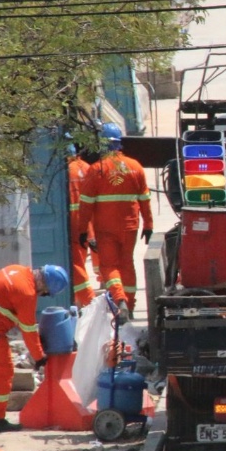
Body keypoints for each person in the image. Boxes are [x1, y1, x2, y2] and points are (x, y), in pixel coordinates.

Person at [0, 265, 66, 434]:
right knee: (2, 373)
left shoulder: (16, 270)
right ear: (44, 285)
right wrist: (39, 357)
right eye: (44, 292)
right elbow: (28, 328)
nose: (41, 295)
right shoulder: (27, 292)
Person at [77, 122, 153, 320]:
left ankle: (119, 301)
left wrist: (82, 230)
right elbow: (145, 199)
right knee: (127, 264)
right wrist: (149, 225)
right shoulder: (135, 167)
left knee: (109, 266)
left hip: (105, 228)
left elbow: (85, 205)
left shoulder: (96, 170)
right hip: (130, 227)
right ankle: (130, 305)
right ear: (119, 144)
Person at [66, 140, 98, 307]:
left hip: (73, 227)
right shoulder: (86, 167)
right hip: (88, 226)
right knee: (83, 263)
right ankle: (82, 300)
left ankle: (88, 300)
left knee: (76, 266)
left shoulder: (65, 172)